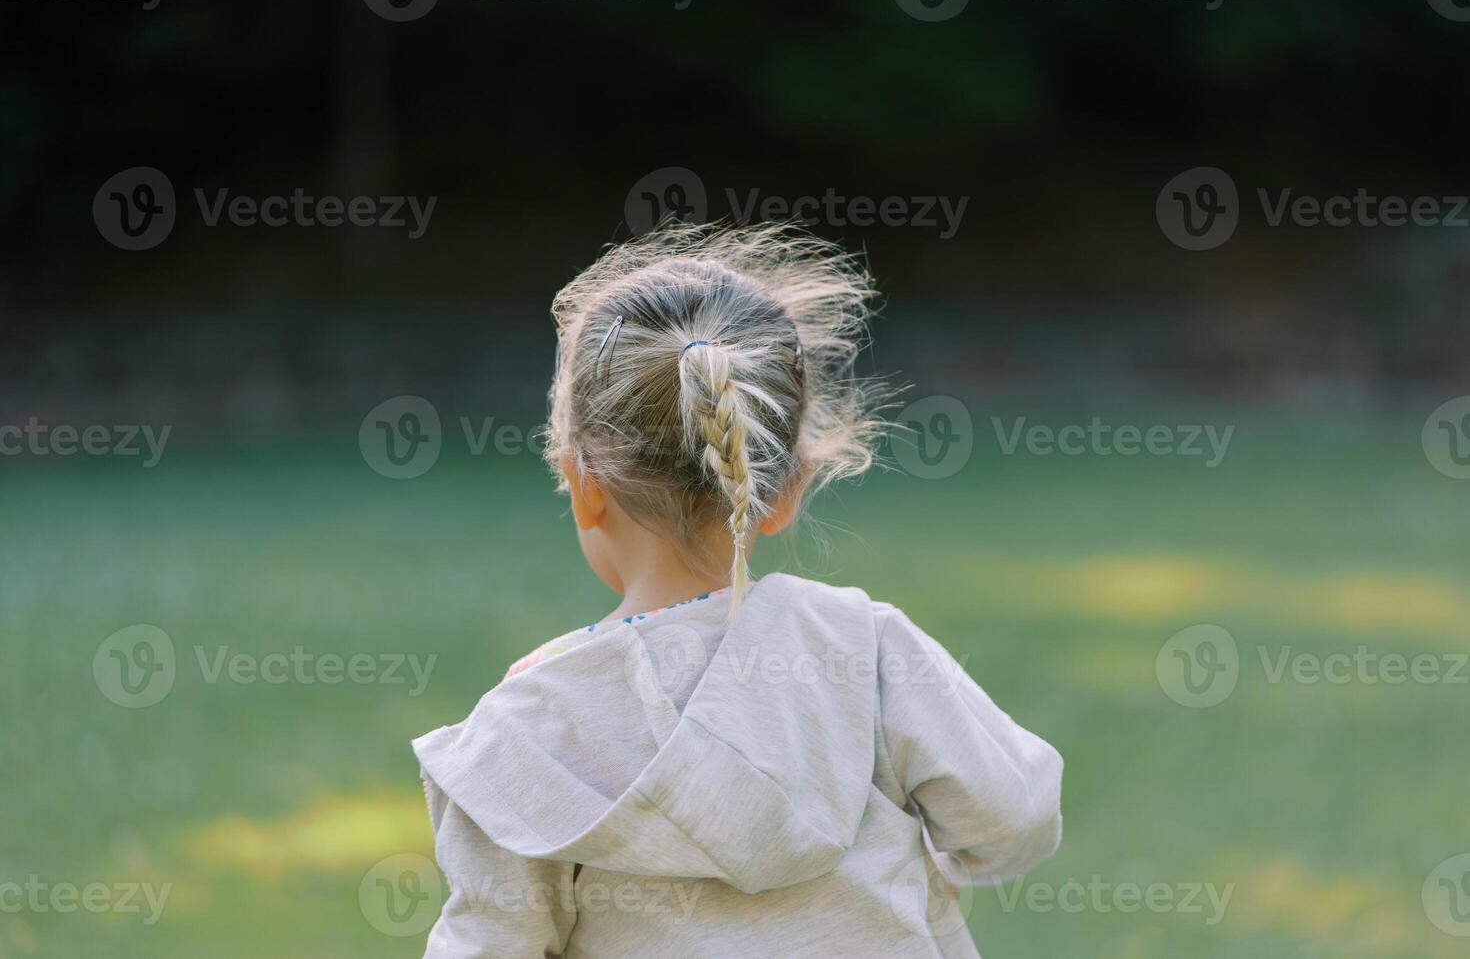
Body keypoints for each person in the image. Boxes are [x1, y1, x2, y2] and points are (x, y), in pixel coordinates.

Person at [413, 222, 1063, 957]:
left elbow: (487, 944)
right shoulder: (863, 648)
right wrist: (938, 866)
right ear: (787, 489)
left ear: (582, 484)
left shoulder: (526, 731)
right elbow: (1015, 816)